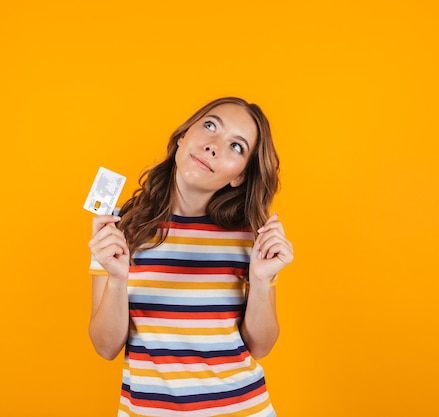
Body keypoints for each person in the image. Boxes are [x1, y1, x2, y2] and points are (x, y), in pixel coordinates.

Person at [88, 97, 294, 416]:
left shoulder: (252, 237)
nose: (213, 146)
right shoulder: (119, 228)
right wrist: (117, 277)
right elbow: (105, 347)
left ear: (239, 175)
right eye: (210, 126)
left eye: (236, 147)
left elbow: (261, 347)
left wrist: (262, 280)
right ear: (184, 135)